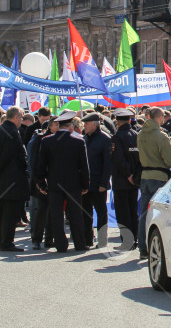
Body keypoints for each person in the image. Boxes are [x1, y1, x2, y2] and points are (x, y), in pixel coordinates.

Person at [35, 110, 90, 252]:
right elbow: (84, 166)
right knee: (76, 215)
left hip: (54, 184)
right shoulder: (78, 141)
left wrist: (41, 183)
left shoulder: (47, 141)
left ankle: (60, 244)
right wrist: (85, 184)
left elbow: (41, 165)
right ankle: (79, 243)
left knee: (56, 215)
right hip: (74, 184)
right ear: (70, 126)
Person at [137, 107, 171, 258]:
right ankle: (158, 246)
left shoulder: (141, 134)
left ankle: (142, 247)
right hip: (159, 176)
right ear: (160, 117)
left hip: (145, 175)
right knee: (160, 215)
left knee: (144, 214)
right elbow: (170, 160)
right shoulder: (160, 136)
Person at [110, 108, 141, 250]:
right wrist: (135, 175)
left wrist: (128, 174)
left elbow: (118, 159)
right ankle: (134, 238)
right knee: (133, 210)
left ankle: (127, 241)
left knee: (123, 212)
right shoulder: (136, 135)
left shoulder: (117, 138)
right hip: (134, 179)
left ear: (117, 121)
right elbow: (139, 158)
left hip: (122, 180)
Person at [0, 107, 29, 251]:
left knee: (3, 212)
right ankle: (6, 242)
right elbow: (11, 155)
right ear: (16, 117)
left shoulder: (2, 129)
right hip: (11, 179)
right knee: (10, 214)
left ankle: (3, 241)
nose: (22, 120)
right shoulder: (12, 132)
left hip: (4, 179)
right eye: (21, 117)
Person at [81, 112, 112, 249]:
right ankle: (88, 239)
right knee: (85, 212)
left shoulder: (105, 139)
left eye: (87, 124)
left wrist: (103, 183)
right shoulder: (84, 139)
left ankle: (102, 239)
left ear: (95, 124)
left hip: (98, 182)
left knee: (101, 212)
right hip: (86, 183)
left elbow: (108, 164)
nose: (84, 126)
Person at [27, 115, 57, 249]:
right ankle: (36, 239)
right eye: (56, 125)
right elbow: (34, 163)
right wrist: (38, 182)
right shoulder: (39, 139)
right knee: (39, 212)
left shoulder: (59, 139)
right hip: (40, 182)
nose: (59, 127)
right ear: (50, 126)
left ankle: (49, 239)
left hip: (55, 181)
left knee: (52, 213)